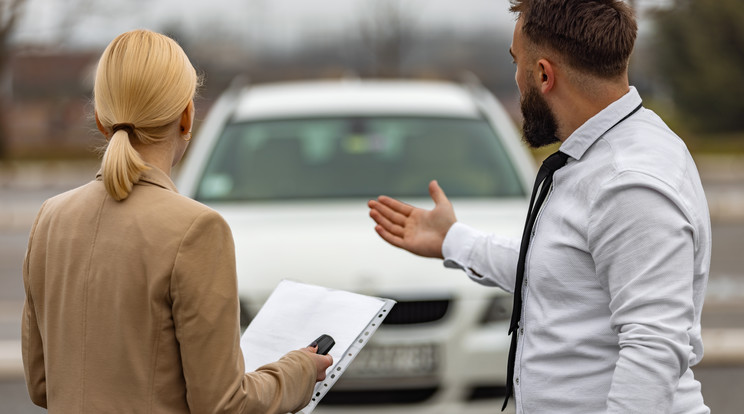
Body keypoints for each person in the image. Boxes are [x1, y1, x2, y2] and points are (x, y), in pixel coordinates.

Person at [368, 1, 711, 413]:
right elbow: (560, 269)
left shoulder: (630, 181)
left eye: (517, 63)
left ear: (545, 74)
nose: (516, 78)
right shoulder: (599, 156)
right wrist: (453, 241)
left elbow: (653, 346)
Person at [21, 29, 332, 413]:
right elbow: (224, 404)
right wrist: (299, 369)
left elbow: (40, 385)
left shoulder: (49, 219)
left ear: (101, 119)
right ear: (186, 116)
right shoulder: (197, 229)